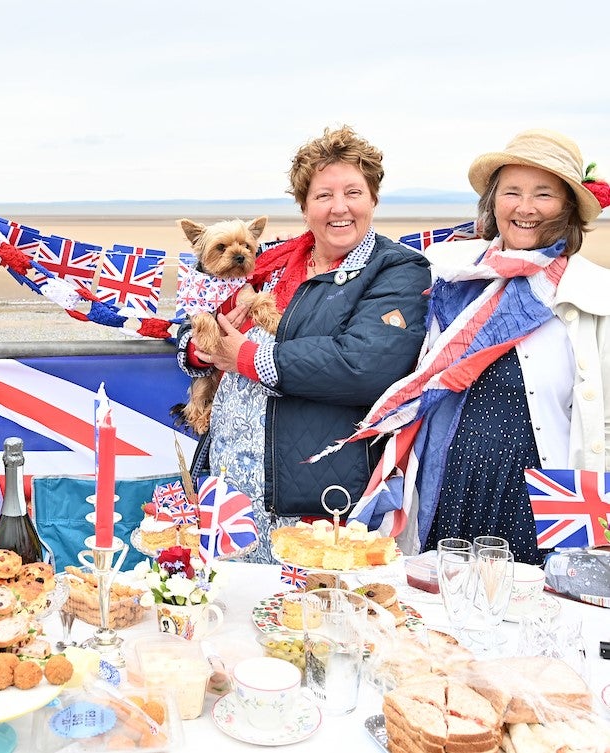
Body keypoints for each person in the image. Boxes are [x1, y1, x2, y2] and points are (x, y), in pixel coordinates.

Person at [344, 129, 610, 566]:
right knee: (440, 616)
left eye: (543, 194)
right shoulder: (453, 275)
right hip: (449, 483)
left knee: (535, 616)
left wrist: (601, 530)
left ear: (566, 208)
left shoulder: (591, 293)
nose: (525, 208)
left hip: (543, 500)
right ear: (493, 201)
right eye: (512, 192)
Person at [178, 125, 431, 562]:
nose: (339, 208)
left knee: (311, 616)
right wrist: (198, 349)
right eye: (323, 195)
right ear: (304, 205)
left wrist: (244, 355)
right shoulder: (272, 261)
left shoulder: (396, 270)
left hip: (315, 496)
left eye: (353, 192)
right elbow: (201, 307)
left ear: (373, 199)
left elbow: (365, 365)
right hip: (231, 484)